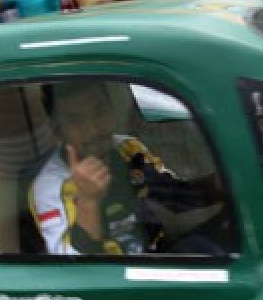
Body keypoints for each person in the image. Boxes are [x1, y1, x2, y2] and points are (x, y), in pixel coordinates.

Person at [30, 81, 222, 256]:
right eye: (76, 120)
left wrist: (223, 185)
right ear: (57, 130)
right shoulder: (50, 188)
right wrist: (88, 202)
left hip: (156, 256)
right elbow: (76, 271)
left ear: (112, 110)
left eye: (100, 111)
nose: (93, 130)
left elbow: (176, 196)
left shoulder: (129, 149)